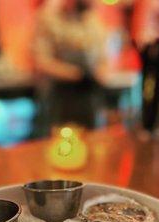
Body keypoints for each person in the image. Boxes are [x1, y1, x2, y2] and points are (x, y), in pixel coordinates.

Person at [34, 0, 107, 132]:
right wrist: (78, 74)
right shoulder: (48, 18)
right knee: (59, 147)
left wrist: (99, 74)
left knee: (91, 143)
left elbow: (104, 60)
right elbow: (41, 62)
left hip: (89, 99)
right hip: (58, 99)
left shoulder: (93, 21)